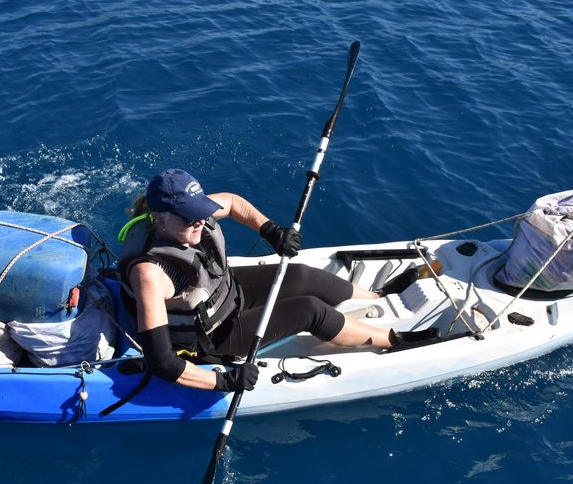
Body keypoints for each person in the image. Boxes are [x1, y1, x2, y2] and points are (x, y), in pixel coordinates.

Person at [118, 168, 404, 395]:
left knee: (302, 274)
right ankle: (394, 341)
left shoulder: (188, 214)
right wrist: (224, 381)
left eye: (201, 213)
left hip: (226, 294)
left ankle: (375, 297)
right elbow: (163, 362)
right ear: (159, 219)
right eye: (190, 218)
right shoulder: (150, 275)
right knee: (309, 309)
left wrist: (271, 231)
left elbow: (231, 202)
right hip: (211, 335)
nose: (200, 222)